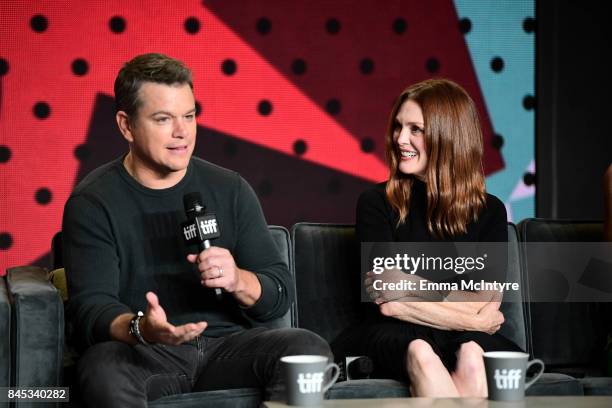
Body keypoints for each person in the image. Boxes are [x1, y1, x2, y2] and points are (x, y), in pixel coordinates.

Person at [62, 53, 331, 407]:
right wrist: (143, 329)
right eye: (164, 119)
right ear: (126, 125)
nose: (182, 132)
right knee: (100, 368)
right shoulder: (93, 202)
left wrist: (238, 279)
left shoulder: (229, 188)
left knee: (307, 348)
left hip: (228, 350)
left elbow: (278, 293)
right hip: (148, 354)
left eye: (189, 116)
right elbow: (90, 310)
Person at [332, 78, 521, 397]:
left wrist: (412, 290)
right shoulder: (376, 202)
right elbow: (390, 302)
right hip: (392, 334)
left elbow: (487, 304)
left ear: (449, 136)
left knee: (475, 357)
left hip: (460, 336)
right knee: (422, 351)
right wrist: (469, 317)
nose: (400, 139)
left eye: (415, 129)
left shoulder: (490, 210)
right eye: (398, 127)